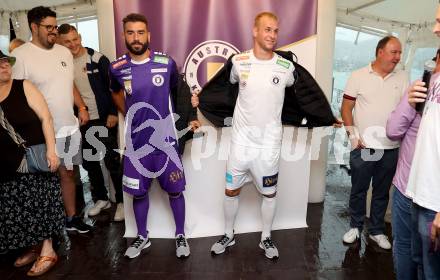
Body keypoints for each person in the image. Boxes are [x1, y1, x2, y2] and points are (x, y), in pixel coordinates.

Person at [109, 13, 199, 259]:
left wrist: (188, 116)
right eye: (130, 33)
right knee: (138, 193)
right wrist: (128, 111)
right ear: (124, 36)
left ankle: (181, 234)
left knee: (175, 191)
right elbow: (115, 92)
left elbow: (178, 92)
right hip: (137, 145)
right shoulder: (117, 68)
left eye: (140, 32)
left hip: (165, 143)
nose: (136, 38)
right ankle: (142, 237)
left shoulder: (166, 63)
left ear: (148, 35)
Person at [10, 6, 92, 233]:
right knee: (44, 181)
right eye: (49, 27)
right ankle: (48, 229)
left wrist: (82, 106)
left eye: (55, 26)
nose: (54, 32)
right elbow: (15, 96)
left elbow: (69, 83)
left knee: (69, 173)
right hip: (41, 132)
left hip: (69, 128)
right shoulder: (20, 56)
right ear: (33, 27)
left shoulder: (63, 52)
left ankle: (71, 218)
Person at [340, 36, 409, 249]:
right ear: (380, 52)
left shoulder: (403, 77)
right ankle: (355, 226)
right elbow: (346, 108)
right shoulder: (358, 75)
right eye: (394, 52)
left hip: (391, 149)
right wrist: (353, 136)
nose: (398, 57)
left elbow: (407, 111)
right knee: (359, 189)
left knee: (381, 192)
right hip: (365, 147)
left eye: (399, 53)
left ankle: (377, 231)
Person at [0, 51, 63, 277]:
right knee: (18, 207)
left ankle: (48, 250)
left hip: (34, 158)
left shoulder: (23, 86)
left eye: (6, 62)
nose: (5, 66)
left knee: (40, 204)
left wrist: (52, 150)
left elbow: (46, 118)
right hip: (6, 164)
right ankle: (34, 246)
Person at [57, 24, 124, 222]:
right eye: (67, 41)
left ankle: (120, 202)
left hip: (104, 120)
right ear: (61, 42)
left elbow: (114, 88)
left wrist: (112, 113)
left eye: (74, 39)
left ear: (80, 36)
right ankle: (102, 199)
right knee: (90, 162)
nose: (72, 44)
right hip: (82, 122)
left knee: (112, 161)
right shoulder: (63, 63)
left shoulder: (98, 59)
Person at [405, 6, 440, 278]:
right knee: (419, 262)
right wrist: (413, 101)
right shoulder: (436, 76)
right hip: (420, 191)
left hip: (435, 203)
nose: (435, 28)